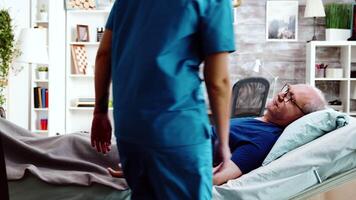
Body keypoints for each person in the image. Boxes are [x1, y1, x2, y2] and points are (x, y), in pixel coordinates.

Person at [90, 0, 235, 199]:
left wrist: (99, 112)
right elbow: (218, 81)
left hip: (129, 128)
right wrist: (223, 143)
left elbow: (104, 54)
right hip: (177, 128)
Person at [108, 84, 328, 186]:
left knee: (80, 146)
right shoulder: (259, 121)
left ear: (300, 117)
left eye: (291, 99)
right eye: (287, 89)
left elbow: (219, 175)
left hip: (158, 157)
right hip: (157, 143)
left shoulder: (264, 140)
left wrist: (146, 172)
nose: (282, 96)